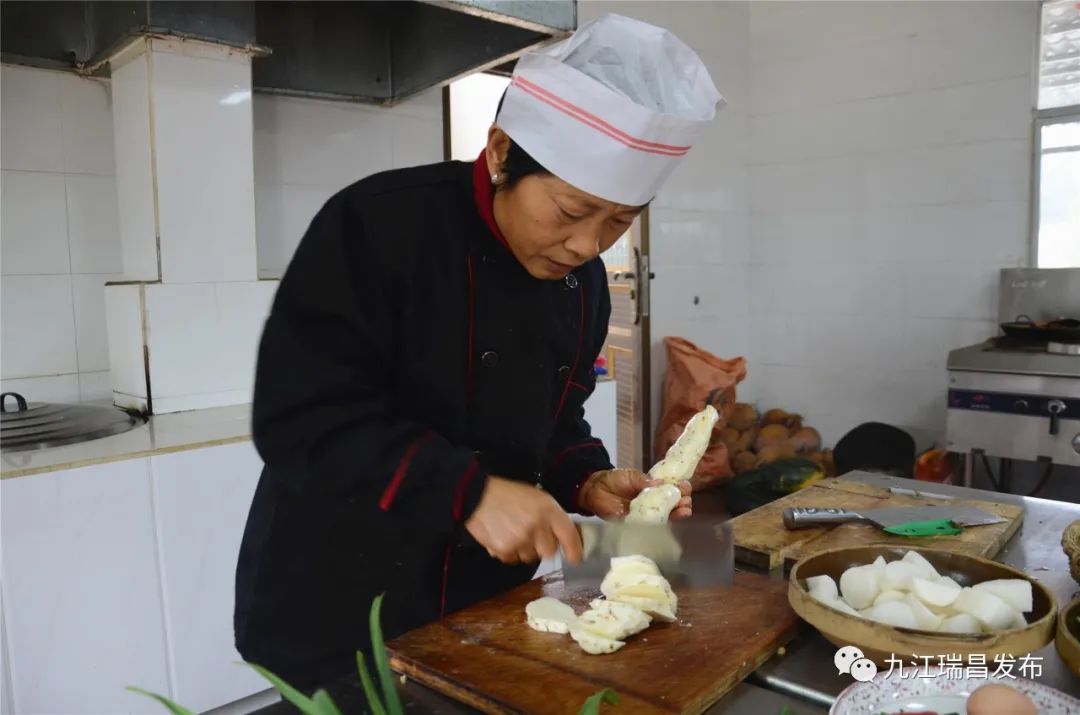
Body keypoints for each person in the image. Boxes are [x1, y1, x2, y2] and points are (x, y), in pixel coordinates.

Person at [234, 13, 723, 689]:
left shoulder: (581, 285)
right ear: (499, 153)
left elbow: (556, 420)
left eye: (617, 221)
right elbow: (301, 419)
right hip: (340, 609)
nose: (587, 246)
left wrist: (587, 477)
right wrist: (467, 492)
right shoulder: (378, 226)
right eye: (571, 210)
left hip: (483, 605)